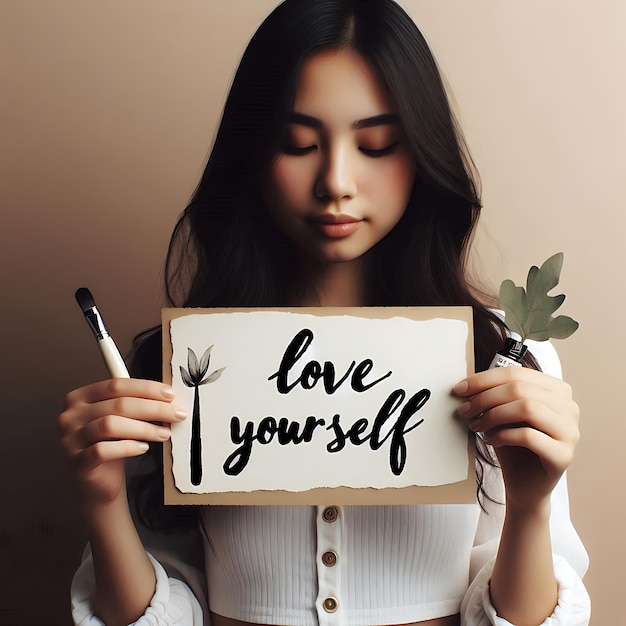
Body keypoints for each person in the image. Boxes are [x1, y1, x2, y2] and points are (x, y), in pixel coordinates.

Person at [60, 1, 590, 624]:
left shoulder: (503, 357)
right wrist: (102, 501)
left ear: (420, 153)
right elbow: (166, 612)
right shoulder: (181, 369)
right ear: (253, 153)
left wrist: (530, 505)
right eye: (298, 143)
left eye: (376, 144)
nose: (336, 180)